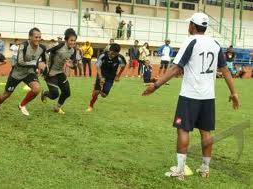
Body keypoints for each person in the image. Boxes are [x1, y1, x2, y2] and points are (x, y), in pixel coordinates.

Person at [142, 12, 239, 180]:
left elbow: (176, 68)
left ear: (193, 26)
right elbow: (225, 70)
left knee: (183, 129)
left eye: (189, 24)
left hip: (190, 96)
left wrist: (156, 85)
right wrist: (234, 92)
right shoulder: (215, 44)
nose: (188, 27)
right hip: (208, 97)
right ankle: (204, 169)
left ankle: (180, 170)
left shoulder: (191, 41)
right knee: (206, 131)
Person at [0, 27, 47, 119]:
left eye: (39, 37)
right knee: (6, 94)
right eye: (36, 37)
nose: (38, 39)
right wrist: (36, 64)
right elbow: (20, 62)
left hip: (29, 73)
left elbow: (44, 60)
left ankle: (22, 104)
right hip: (17, 73)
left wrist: (43, 65)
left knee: (36, 89)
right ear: (30, 37)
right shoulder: (23, 46)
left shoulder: (42, 48)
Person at [41, 28, 77, 114]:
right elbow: (45, 51)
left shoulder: (73, 50)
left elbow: (74, 64)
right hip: (51, 73)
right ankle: (45, 93)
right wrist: (44, 62)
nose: (73, 42)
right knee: (54, 95)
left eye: (74, 40)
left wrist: (71, 65)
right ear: (66, 40)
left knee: (67, 93)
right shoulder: (59, 46)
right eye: (71, 40)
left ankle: (57, 107)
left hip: (60, 72)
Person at [86, 43, 126, 112]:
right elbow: (98, 66)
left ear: (118, 53)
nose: (113, 55)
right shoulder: (103, 55)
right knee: (96, 92)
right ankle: (90, 105)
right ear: (109, 50)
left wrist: (118, 76)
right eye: (112, 53)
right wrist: (100, 77)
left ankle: (98, 90)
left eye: (115, 53)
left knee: (104, 95)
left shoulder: (120, 58)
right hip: (101, 74)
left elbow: (123, 66)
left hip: (111, 77)